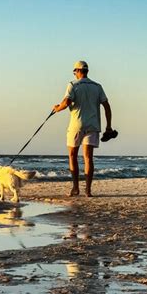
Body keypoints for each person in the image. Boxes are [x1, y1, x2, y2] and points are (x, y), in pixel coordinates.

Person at [53, 60, 113, 197]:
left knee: (72, 155)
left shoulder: (73, 85)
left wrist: (57, 109)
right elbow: (107, 106)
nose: (74, 74)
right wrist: (108, 126)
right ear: (87, 71)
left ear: (78, 71)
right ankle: (88, 190)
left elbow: (67, 102)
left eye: (74, 71)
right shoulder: (97, 86)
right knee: (88, 158)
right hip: (93, 125)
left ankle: (75, 187)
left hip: (76, 125)